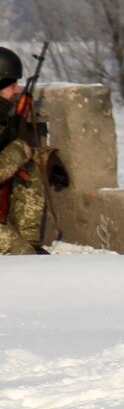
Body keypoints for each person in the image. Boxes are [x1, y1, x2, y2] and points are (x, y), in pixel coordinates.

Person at [0, 47, 47, 256]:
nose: (17, 90)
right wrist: (19, 148)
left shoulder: (5, 119)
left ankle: (31, 241)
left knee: (28, 165)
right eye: (11, 86)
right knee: (23, 256)